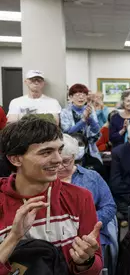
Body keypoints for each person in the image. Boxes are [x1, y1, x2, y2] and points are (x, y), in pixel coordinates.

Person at [0, 115, 103, 274]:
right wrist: (14, 237)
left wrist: (85, 261)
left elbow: (95, 266)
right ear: (15, 159)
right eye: (46, 152)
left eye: (59, 150)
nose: (58, 160)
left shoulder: (80, 197)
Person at [58, 134, 117, 259]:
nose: (60, 166)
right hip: (57, 236)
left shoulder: (92, 177)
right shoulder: (45, 181)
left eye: (65, 161)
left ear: (74, 157)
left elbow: (109, 206)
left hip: (90, 233)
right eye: (56, 162)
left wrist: (88, 222)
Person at [60, 83, 102, 160]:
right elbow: (68, 132)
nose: (81, 97)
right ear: (71, 97)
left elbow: (96, 130)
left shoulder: (90, 109)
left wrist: (89, 118)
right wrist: (83, 120)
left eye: (84, 95)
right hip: (71, 146)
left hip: (88, 147)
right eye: (78, 95)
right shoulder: (65, 112)